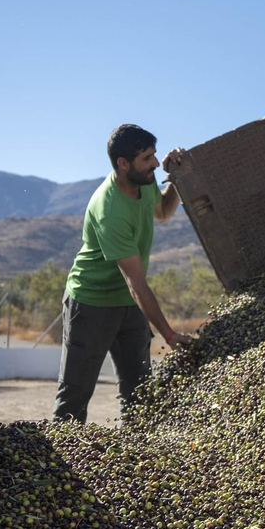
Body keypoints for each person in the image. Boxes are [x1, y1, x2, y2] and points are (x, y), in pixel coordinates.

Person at [53, 123, 188, 422]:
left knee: (140, 397)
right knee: (73, 398)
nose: (155, 163)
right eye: (147, 158)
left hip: (129, 306)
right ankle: (54, 466)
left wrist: (176, 179)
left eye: (154, 155)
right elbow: (136, 282)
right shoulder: (110, 209)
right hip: (91, 305)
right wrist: (168, 334)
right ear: (123, 164)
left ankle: (137, 461)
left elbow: (163, 213)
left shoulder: (145, 181)